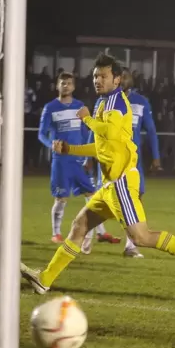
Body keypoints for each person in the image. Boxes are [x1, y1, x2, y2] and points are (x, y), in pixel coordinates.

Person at [21, 53, 175, 295]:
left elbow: (110, 134)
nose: (98, 80)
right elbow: (102, 146)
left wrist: (88, 121)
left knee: (141, 237)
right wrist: (71, 149)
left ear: (117, 79)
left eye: (103, 76)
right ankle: (45, 278)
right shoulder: (102, 103)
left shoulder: (116, 102)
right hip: (109, 186)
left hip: (122, 182)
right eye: (95, 76)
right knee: (80, 225)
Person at [39, 72, 117, 246]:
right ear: (57, 86)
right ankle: (56, 233)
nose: (65, 86)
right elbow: (41, 134)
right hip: (61, 161)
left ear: (73, 86)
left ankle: (101, 233)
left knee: (92, 195)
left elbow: (85, 133)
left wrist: (87, 155)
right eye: (62, 83)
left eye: (68, 83)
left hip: (78, 159)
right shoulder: (50, 108)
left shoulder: (80, 107)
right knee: (61, 198)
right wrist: (51, 144)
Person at [117, 67, 161, 257]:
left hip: (134, 161)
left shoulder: (141, 102)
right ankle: (83, 238)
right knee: (105, 203)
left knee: (136, 200)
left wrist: (156, 157)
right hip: (113, 160)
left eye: (126, 76)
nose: (123, 79)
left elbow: (151, 130)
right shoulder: (108, 101)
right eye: (121, 76)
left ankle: (130, 246)